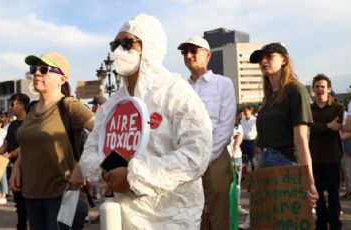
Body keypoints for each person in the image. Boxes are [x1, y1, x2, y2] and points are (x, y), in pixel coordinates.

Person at [71, 14, 212, 229]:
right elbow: (90, 152)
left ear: (150, 45)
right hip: (122, 217)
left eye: (128, 43)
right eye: (115, 44)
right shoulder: (112, 105)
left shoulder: (176, 93)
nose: (119, 50)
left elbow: (196, 154)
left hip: (171, 216)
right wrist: (107, 173)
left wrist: (133, 175)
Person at [9, 51, 95, 230]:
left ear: (62, 79)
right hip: (31, 195)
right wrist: (17, 167)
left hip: (64, 195)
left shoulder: (69, 105)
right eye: (34, 69)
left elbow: (104, 131)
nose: (37, 73)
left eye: (44, 69)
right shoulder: (32, 108)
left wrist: (83, 164)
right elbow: (29, 145)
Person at [249, 43, 318, 226]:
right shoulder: (270, 96)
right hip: (265, 159)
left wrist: (309, 181)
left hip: (287, 160)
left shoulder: (296, 91)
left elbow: (301, 139)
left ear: (284, 60)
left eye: (269, 56)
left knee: (289, 223)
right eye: (260, 58)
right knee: (267, 222)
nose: (263, 61)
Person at [178, 35, 236, 229]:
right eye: (185, 52)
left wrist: (203, 158)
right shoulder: (180, 88)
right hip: (186, 158)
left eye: (194, 51)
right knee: (191, 216)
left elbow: (225, 128)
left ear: (208, 55)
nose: (188, 55)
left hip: (215, 157)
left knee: (218, 216)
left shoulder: (223, 84)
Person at [309, 74, 344, 229]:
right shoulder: (308, 109)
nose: (319, 89)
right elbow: (308, 128)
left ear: (329, 89)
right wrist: (327, 126)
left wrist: (319, 126)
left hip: (332, 157)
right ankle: (321, 224)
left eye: (322, 86)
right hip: (314, 158)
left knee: (334, 196)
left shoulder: (338, 108)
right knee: (318, 198)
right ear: (312, 89)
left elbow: (338, 127)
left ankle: (335, 224)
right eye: (316, 86)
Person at [0, 93, 30, 230]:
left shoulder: (30, 123)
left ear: (22, 105)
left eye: (12, 104)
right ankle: (21, 226)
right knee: (19, 203)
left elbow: (26, 146)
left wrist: (9, 155)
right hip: (13, 166)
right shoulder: (12, 125)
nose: (10, 107)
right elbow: (6, 143)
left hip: (27, 168)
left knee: (28, 202)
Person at [240, 104, 258, 171]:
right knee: (244, 161)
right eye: (244, 111)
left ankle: (253, 175)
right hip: (243, 143)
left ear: (250, 111)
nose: (244, 112)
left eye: (246, 110)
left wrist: (257, 143)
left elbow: (258, 131)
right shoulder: (242, 120)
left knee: (253, 161)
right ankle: (245, 177)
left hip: (252, 143)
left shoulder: (255, 120)